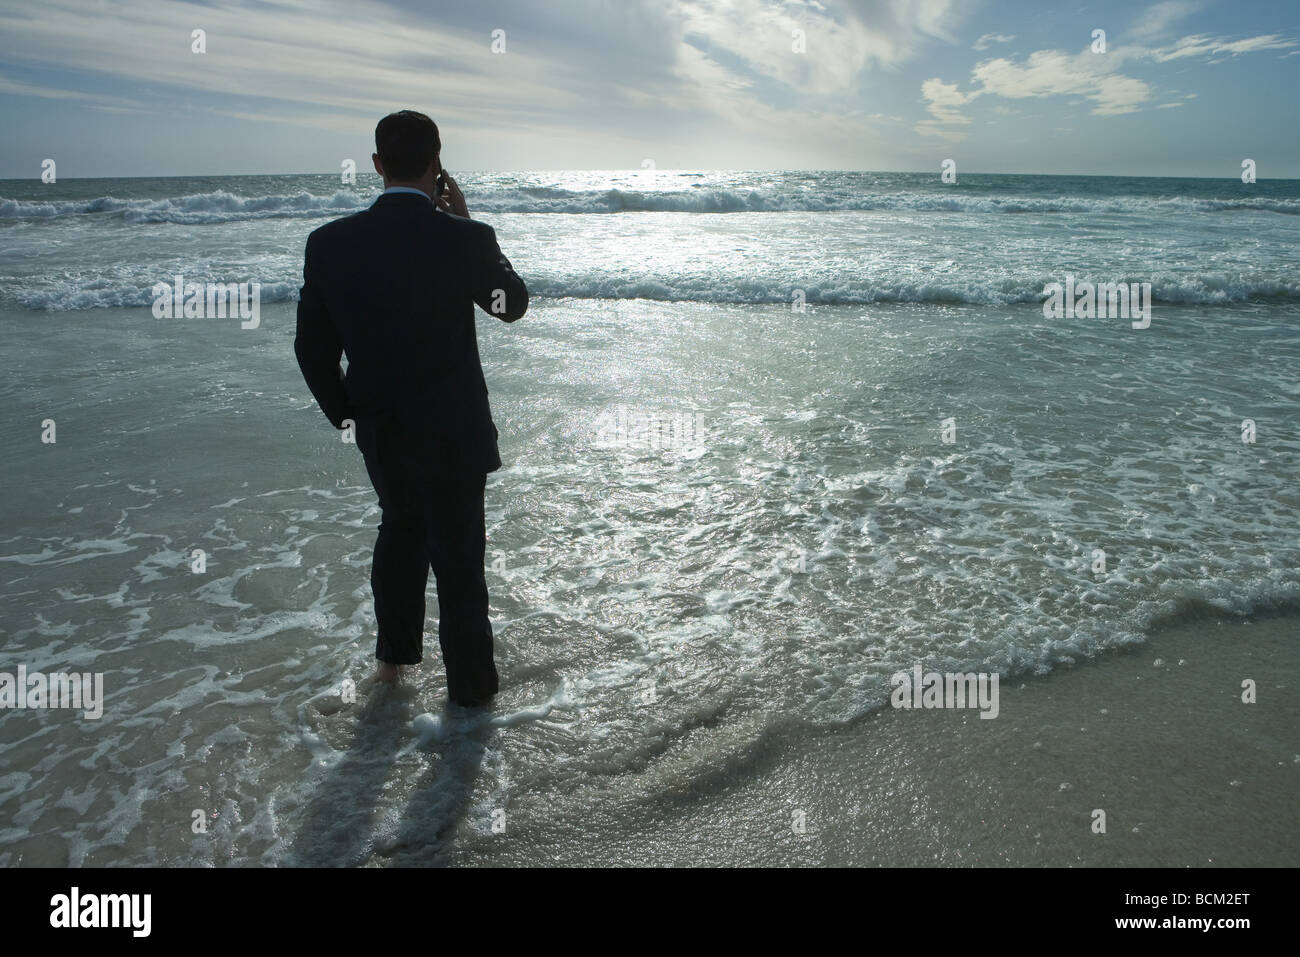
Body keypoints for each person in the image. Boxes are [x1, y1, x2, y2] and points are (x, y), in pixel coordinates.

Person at [295, 110, 527, 706]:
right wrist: (470, 225)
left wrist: (349, 416)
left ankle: (392, 669)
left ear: (377, 165)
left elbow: (312, 349)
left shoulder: (329, 243)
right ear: (437, 162)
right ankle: (471, 699)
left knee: (398, 534)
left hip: (381, 428)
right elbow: (510, 305)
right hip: (455, 430)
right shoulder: (464, 239)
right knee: (459, 560)